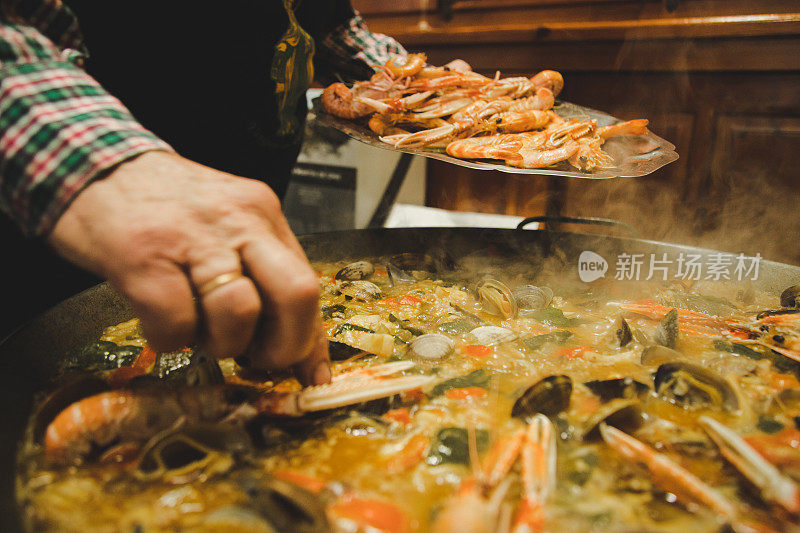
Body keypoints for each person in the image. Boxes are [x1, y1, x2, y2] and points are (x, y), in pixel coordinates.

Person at [0, 0, 406, 384]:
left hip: (236, 248)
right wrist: (102, 162)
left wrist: (413, 79)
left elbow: (329, 24)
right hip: (60, 237)